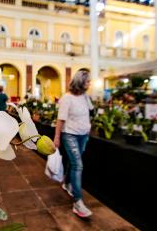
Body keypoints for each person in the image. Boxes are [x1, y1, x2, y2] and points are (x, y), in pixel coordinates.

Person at [53, 68, 94, 218]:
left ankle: (67, 183)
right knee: (78, 165)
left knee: (73, 162)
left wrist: (88, 129)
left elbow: (89, 111)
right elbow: (60, 119)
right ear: (80, 81)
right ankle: (78, 203)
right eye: (88, 81)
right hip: (70, 135)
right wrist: (56, 137)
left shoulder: (84, 96)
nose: (90, 83)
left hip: (83, 135)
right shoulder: (67, 98)